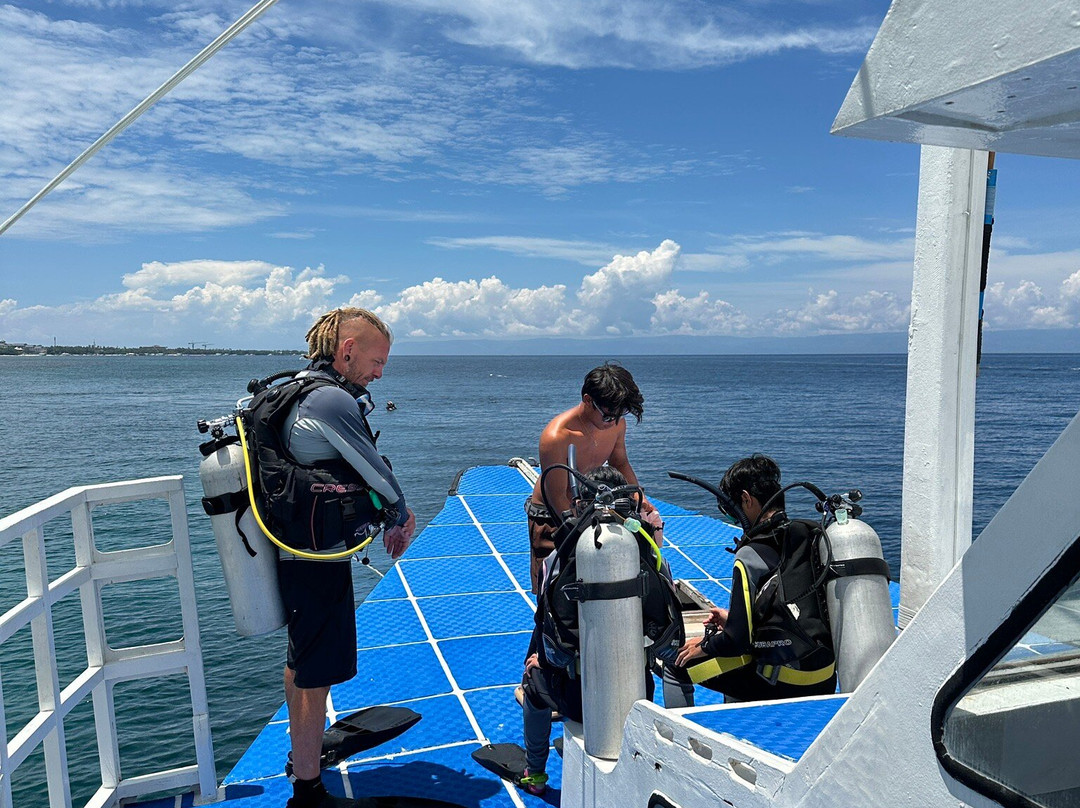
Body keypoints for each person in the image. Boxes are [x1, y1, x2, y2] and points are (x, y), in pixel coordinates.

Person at [273, 308, 416, 808]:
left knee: (301, 663)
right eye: (376, 361)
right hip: (314, 557)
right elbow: (377, 474)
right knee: (316, 674)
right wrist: (402, 516)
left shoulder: (295, 388)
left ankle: (302, 757)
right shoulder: (331, 398)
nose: (380, 373)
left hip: (293, 550)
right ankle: (308, 791)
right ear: (347, 350)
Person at [519, 466, 666, 795]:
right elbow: (666, 626)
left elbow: (548, 627)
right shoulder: (646, 555)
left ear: (578, 503)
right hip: (640, 693)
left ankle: (535, 774)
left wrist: (540, 661)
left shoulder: (560, 557)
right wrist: (655, 542)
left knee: (532, 684)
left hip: (578, 698)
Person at [670, 454, 836, 703]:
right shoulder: (809, 534)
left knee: (676, 665)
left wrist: (704, 647)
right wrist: (733, 619)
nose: (736, 522)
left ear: (746, 499)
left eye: (733, 513)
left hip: (784, 682)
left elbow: (736, 642)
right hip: (825, 678)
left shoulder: (750, 554)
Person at [525, 362, 655, 594]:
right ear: (587, 400)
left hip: (588, 507)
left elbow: (619, 462)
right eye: (607, 415)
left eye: (619, 414)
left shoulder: (615, 423)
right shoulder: (557, 436)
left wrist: (637, 495)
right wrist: (579, 529)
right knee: (554, 587)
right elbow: (556, 496)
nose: (613, 422)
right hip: (551, 516)